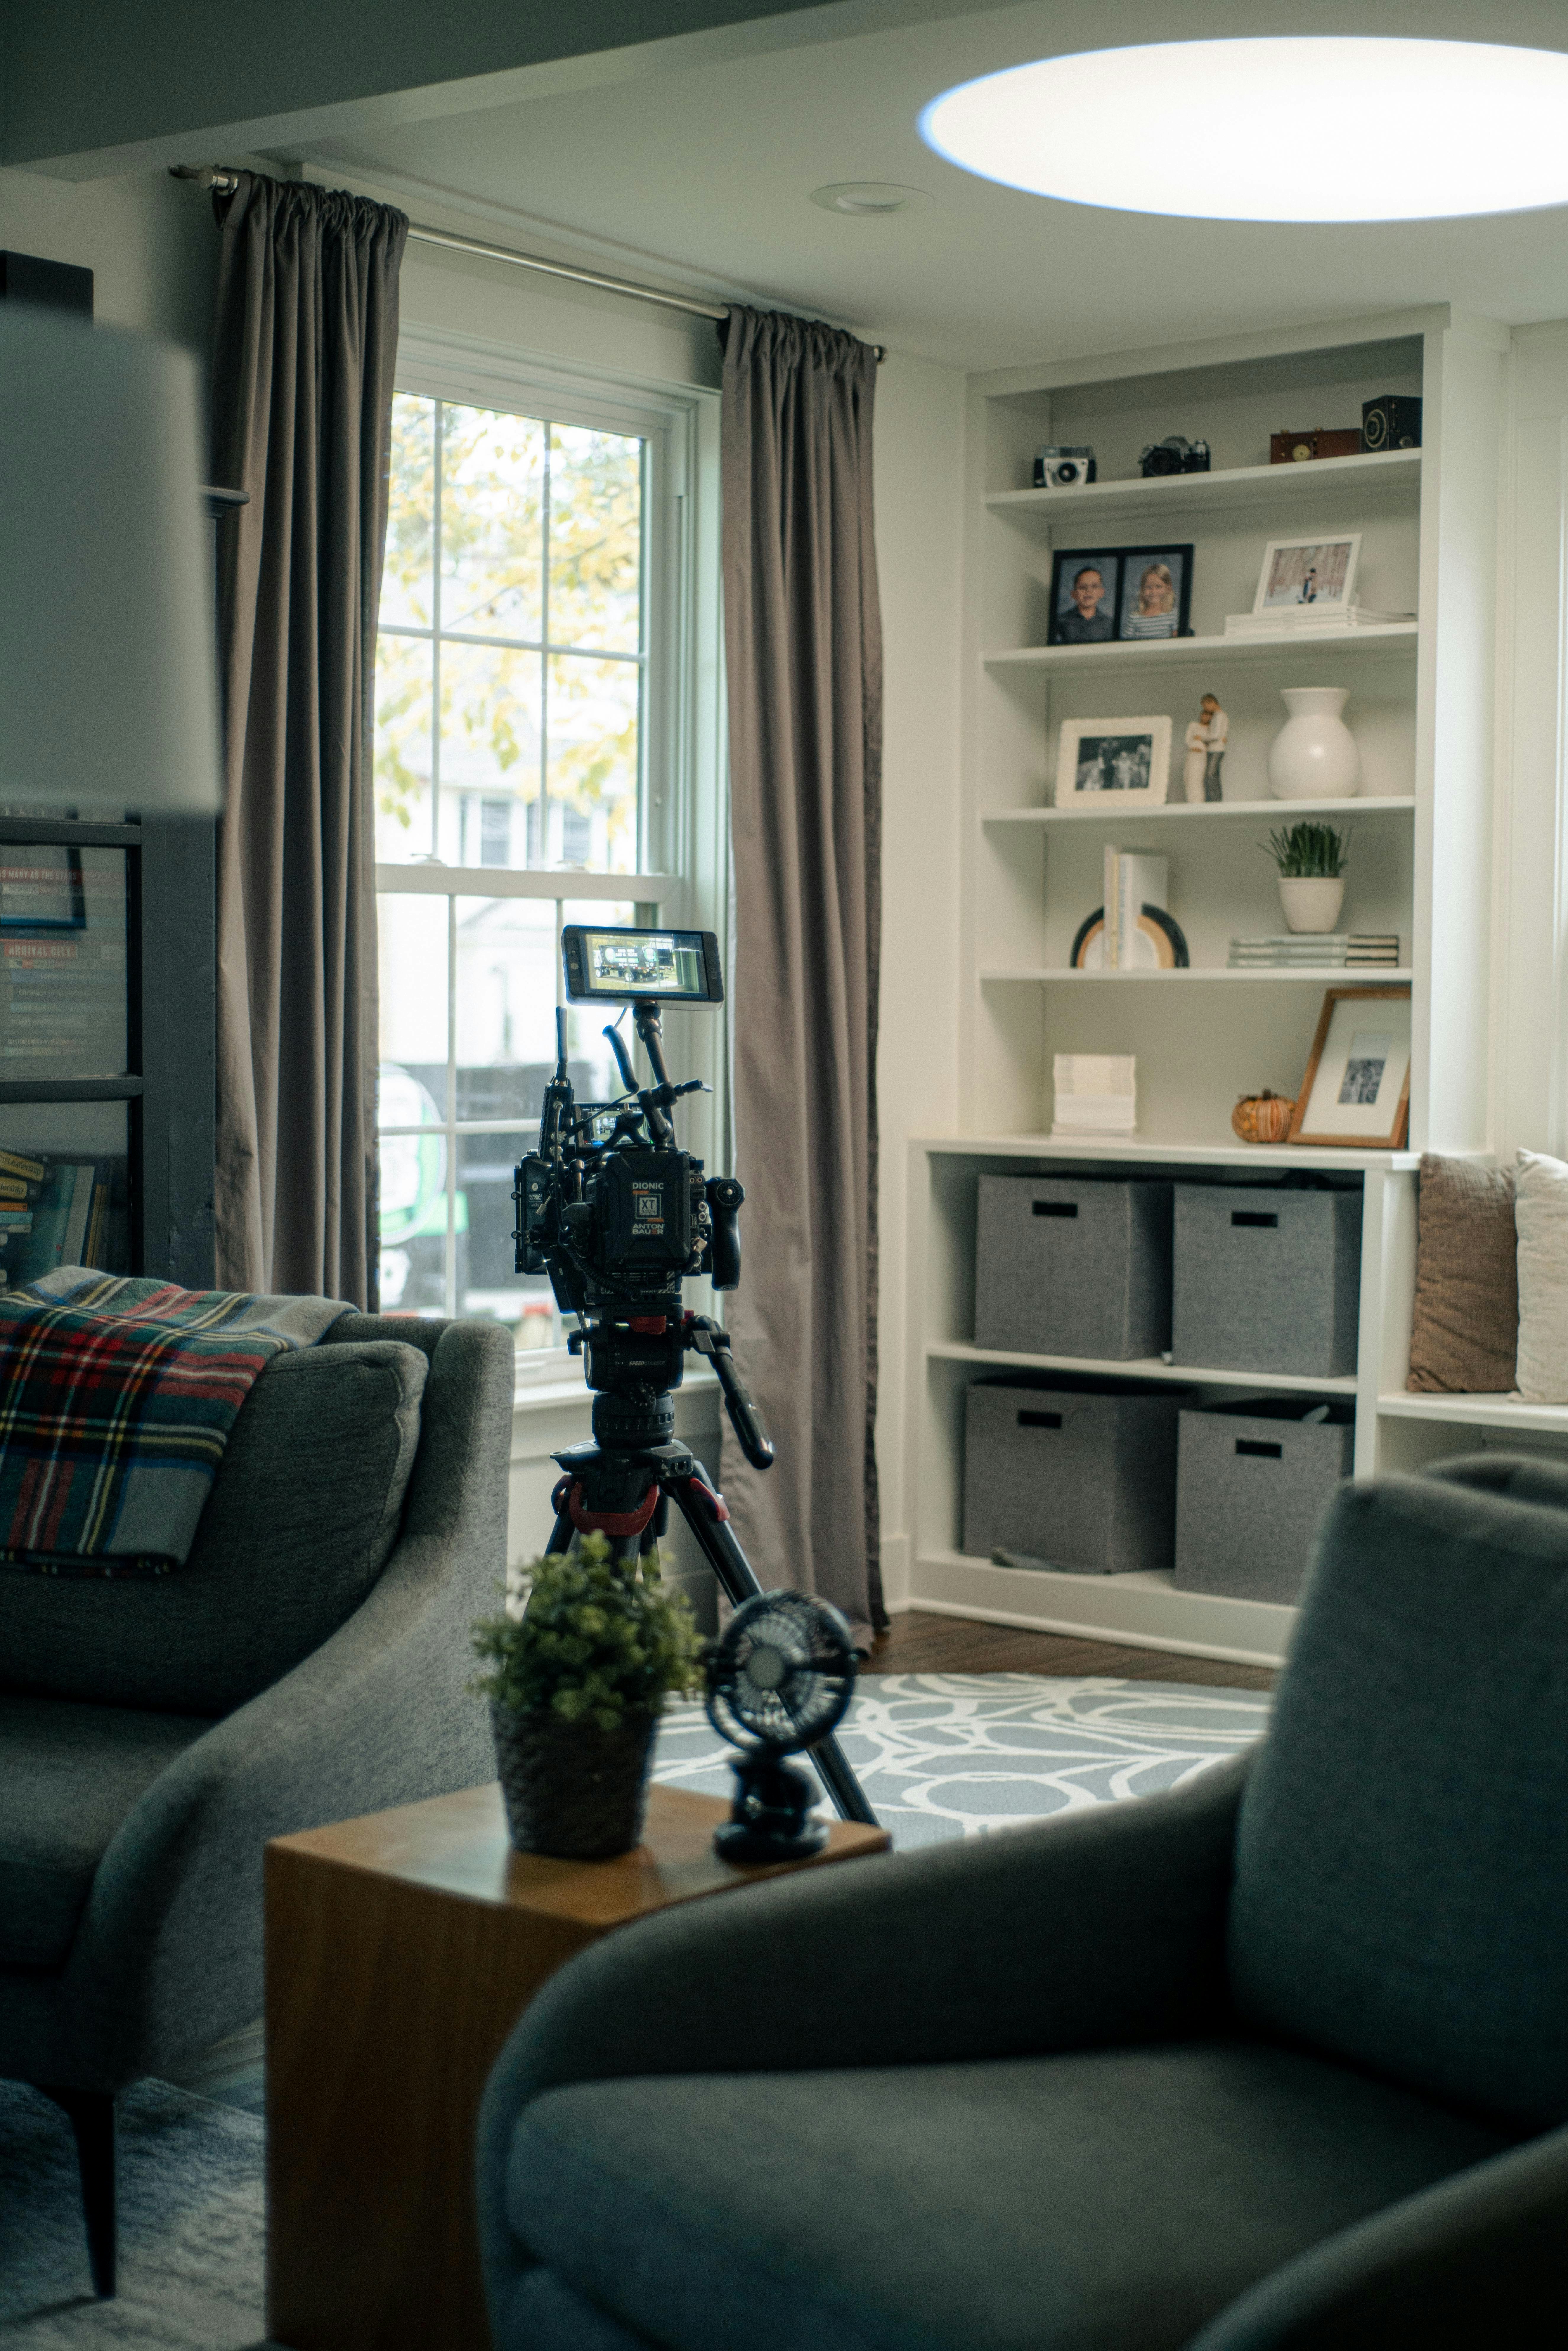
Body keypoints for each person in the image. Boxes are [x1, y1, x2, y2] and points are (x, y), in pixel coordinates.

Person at [1182, 692, 1228, 802]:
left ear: (1211, 703)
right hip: (1205, 752)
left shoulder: (1220, 716)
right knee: (1203, 777)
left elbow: (1215, 735)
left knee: (1210, 775)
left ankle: (1215, 800)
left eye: (1205, 707)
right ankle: (1210, 800)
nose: (1205, 710)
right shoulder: (1216, 717)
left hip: (1214, 750)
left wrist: (1201, 738)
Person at [1054, 563, 1114, 643]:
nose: (1089, 591)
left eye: (1095, 587)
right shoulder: (1061, 620)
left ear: (1102, 593)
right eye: (1083, 587)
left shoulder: (1109, 624)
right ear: (1074, 594)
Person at [1122, 560, 1179, 640]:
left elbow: (1177, 643)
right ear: (1142, 590)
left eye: (1159, 587)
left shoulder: (1173, 615)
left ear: (1168, 588)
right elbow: (1126, 645)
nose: (1153, 592)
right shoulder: (1134, 618)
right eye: (1149, 587)